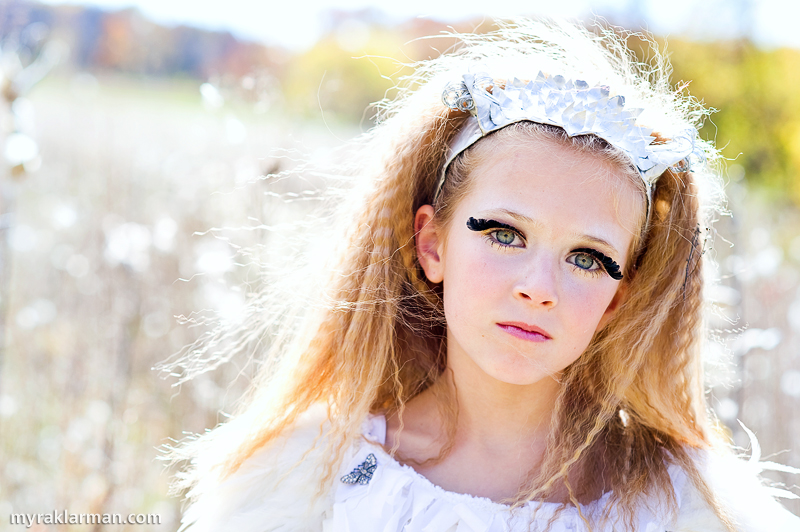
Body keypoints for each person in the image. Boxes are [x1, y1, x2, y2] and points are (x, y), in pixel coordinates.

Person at [169, 20, 800, 532]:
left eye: (587, 257)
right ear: (432, 243)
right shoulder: (301, 483)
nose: (538, 286)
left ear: (616, 299)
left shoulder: (689, 510)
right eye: (504, 233)